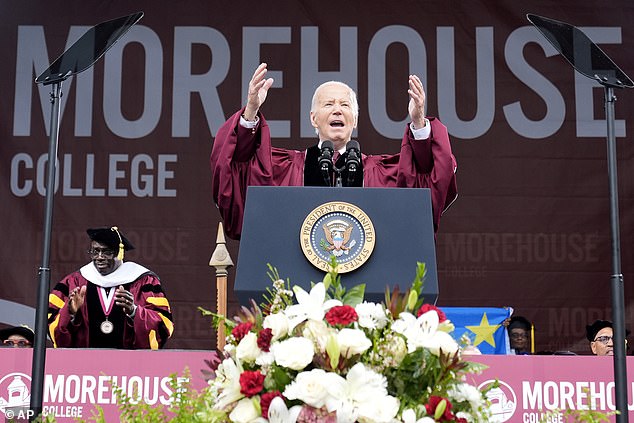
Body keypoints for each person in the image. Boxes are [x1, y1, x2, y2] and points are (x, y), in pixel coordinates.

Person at [210, 63, 457, 239]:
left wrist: (418, 123)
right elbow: (238, 166)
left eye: (345, 105)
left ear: (355, 119)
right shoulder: (283, 169)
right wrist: (251, 110)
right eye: (329, 104)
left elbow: (425, 179)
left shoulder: (382, 175)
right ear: (313, 118)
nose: (337, 110)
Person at [47, 226, 174, 349]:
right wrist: (70, 313)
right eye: (95, 251)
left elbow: (163, 325)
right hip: (83, 364)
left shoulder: (144, 281)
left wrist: (134, 311)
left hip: (129, 364)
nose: (100, 257)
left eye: (106, 252)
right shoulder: (74, 281)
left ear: (119, 253)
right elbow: (51, 326)